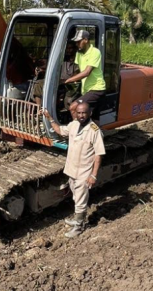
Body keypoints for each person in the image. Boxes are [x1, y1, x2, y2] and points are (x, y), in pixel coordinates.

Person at [41, 102, 105, 238]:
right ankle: (77, 219)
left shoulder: (94, 131)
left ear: (90, 113)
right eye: (79, 113)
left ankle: (79, 226)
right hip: (72, 169)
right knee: (76, 196)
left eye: (84, 113)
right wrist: (50, 118)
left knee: (81, 199)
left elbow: (98, 154)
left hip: (84, 172)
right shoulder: (74, 125)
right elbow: (59, 130)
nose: (81, 115)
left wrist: (93, 175)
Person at [64, 30, 106, 121]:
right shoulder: (79, 54)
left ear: (86, 40)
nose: (77, 44)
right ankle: (95, 134)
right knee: (94, 118)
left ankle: (78, 131)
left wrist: (69, 80)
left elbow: (87, 72)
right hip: (86, 90)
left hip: (96, 89)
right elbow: (78, 71)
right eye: (76, 42)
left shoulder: (95, 52)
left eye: (79, 42)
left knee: (73, 107)